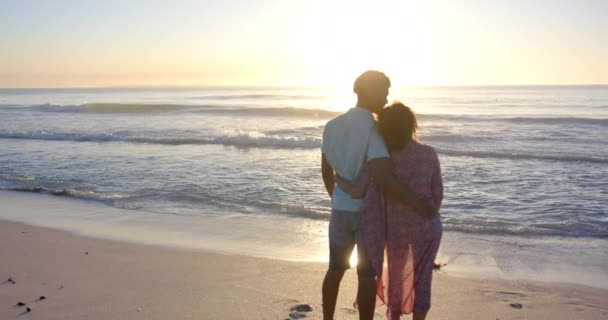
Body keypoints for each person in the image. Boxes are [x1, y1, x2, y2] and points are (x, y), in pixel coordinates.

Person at [321, 71, 434, 320]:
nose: (385, 98)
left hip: (339, 211)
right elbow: (383, 176)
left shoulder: (331, 126)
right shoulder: (374, 130)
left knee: (334, 270)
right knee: (366, 274)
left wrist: (337, 198)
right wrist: (416, 203)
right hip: (367, 214)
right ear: (368, 92)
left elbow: (326, 168)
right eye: (383, 91)